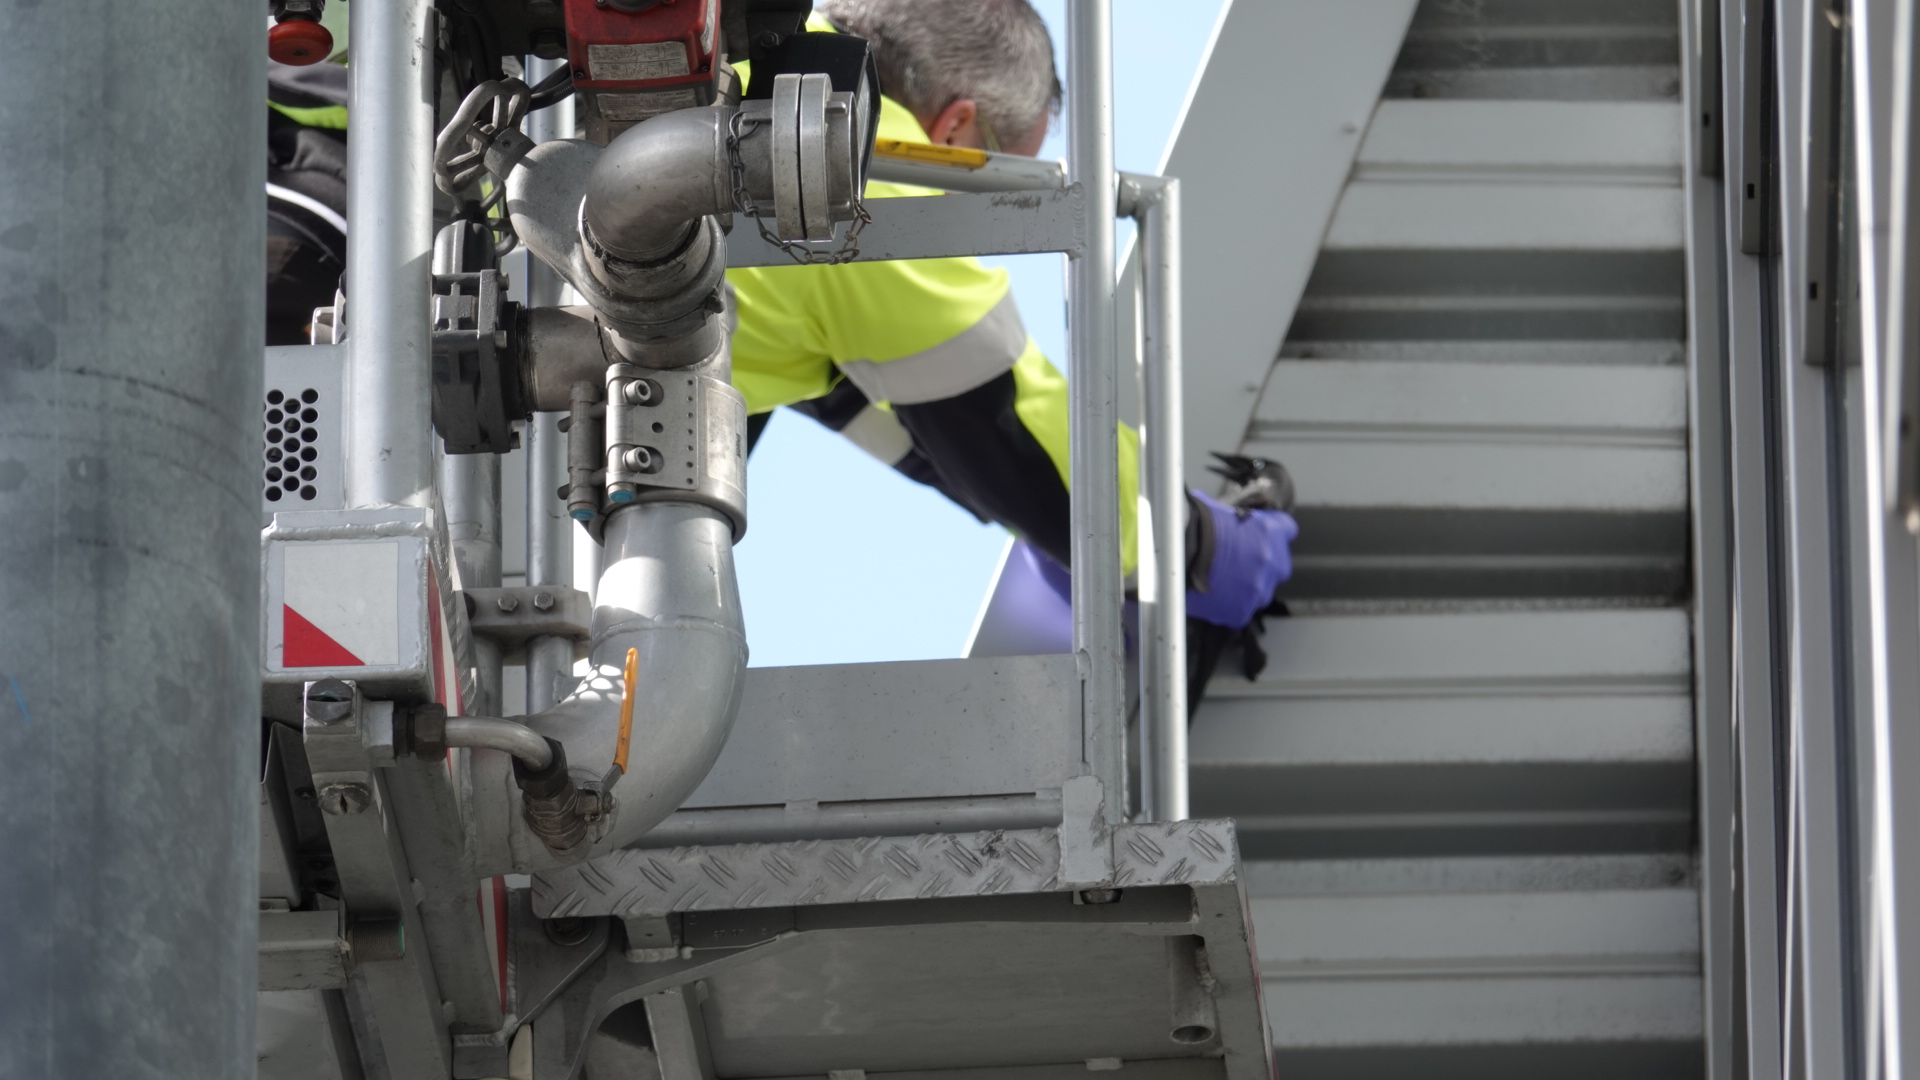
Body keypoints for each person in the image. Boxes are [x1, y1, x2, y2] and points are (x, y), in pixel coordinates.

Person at [731, 0, 1298, 647]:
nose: (981, 225)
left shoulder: (759, 66)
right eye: (990, 184)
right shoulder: (865, 186)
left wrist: (1021, 510)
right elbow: (1005, 423)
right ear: (954, 127)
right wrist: (1200, 547)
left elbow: (880, 409)